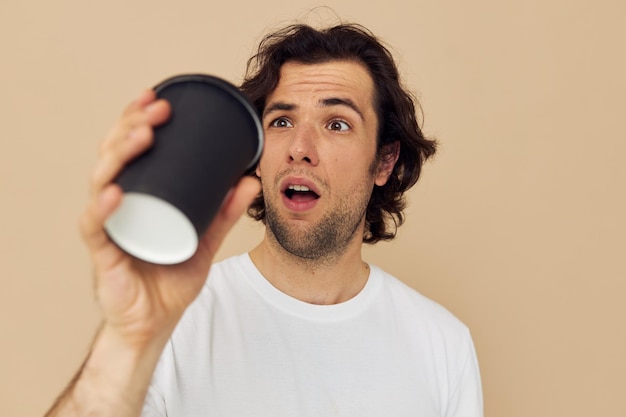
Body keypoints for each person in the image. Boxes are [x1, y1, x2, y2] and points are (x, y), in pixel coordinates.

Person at [45, 23, 483, 417]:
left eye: (337, 124)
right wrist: (128, 337)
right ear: (256, 158)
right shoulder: (175, 322)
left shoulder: (443, 345)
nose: (299, 147)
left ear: (384, 160)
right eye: (282, 120)